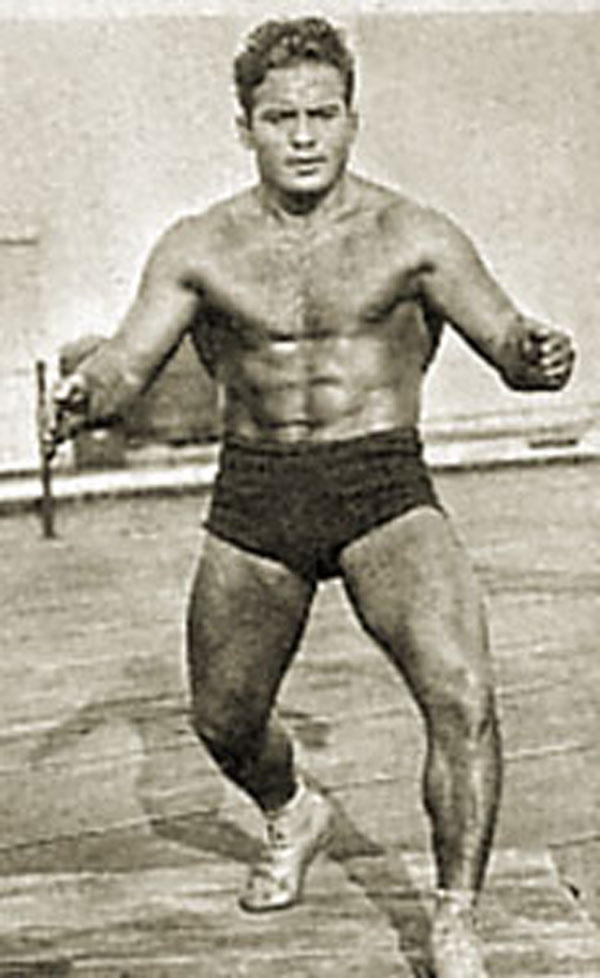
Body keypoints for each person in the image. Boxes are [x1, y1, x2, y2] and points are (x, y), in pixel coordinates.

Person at [47, 17, 575, 977]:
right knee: (225, 720)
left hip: (384, 487)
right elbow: (127, 363)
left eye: (321, 115)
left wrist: (535, 355)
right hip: (258, 494)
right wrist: (87, 396)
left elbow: (508, 342)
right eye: (279, 118)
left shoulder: (413, 235)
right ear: (244, 127)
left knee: (463, 696)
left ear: (351, 120)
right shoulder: (200, 246)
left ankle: (456, 917)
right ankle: (293, 810)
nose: (302, 137)